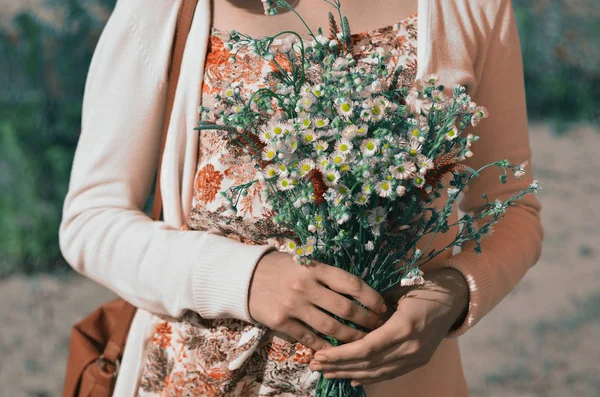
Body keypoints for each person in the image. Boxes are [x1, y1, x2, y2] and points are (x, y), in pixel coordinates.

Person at [59, 0, 543, 395]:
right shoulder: (165, 8)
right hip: (194, 381)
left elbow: (512, 207)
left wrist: (451, 296)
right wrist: (246, 280)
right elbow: (90, 220)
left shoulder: (468, 8)